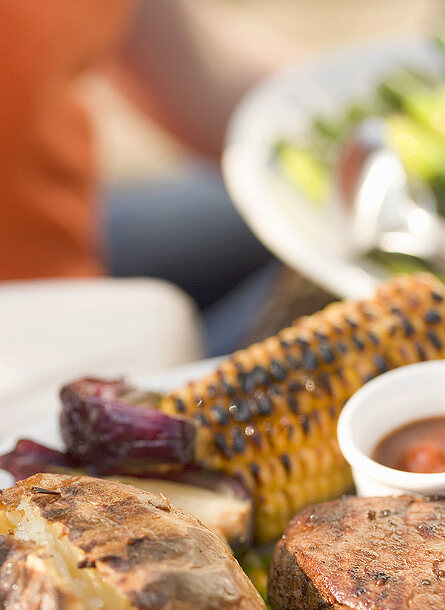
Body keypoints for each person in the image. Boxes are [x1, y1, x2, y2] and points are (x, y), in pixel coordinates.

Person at [0, 0, 292, 353]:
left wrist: (346, 109)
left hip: (77, 241)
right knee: (320, 290)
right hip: (29, 364)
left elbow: (202, 80)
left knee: (287, 211)